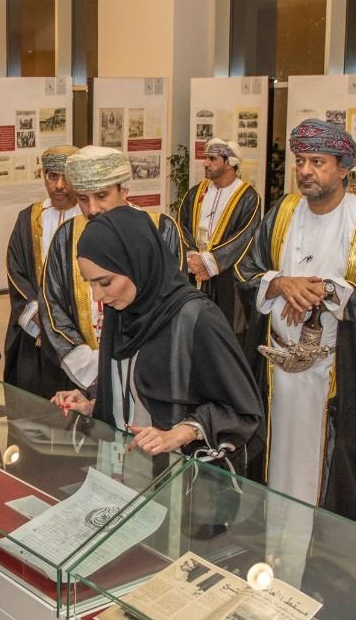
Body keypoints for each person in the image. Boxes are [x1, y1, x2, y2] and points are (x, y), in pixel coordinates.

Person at [237, 118, 356, 532]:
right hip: (276, 372)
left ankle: (322, 557)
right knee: (275, 463)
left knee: (324, 476)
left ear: (343, 168)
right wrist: (281, 284)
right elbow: (245, 271)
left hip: (337, 376)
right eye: (300, 161)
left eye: (317, 162)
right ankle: (270, 549)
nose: (305, 170)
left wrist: (329, 291)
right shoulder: (282, 212)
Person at [51, 207, 263, 468]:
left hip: (178, 477)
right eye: (89, 283)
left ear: (138, 264)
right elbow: (133, 390)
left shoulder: (196, 317)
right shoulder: (121, 312)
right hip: (123, 470)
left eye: (104, 282)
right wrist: (93, 404)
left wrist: (180, 434)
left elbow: (242, 411)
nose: (97, 296)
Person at [40, 146, 184, 392]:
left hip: (147, 375)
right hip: (82, 376)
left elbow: (172, 305)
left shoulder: (160, 229)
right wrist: (90, 369)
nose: (92, 209)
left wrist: (129, 366)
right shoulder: (66, 236)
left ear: (124, 190)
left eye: (101, 195)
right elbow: (53, 307)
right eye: (83, 199)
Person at [5, 145, 80, 397]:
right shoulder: (29, 217)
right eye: (52, 176)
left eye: (66, 178)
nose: (59, 186)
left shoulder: (89, 218)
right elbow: (15, 269)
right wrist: (36, 312)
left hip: (78, 331)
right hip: (35, 330)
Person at [179, 137, 260, 345]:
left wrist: (210, 261)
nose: (205, 163)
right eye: (206, 158)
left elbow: (245, 236)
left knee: (226, 337)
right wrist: (192, 256)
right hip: (195, 273)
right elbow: (182, 225)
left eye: (212, 159)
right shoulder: (195, 192)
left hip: (227, 278)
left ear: (230, 163)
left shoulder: (248, 197)